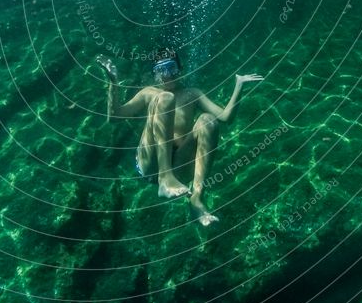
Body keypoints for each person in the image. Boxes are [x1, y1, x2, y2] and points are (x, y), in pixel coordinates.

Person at [96, 50, 264, 226]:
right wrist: (113, 83)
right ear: (155, 73)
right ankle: (164, 178)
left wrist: (239, 85)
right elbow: (114, 117)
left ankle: (197, 198)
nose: (167, 75)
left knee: (209, 121)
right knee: (165, 98)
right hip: (150, 163)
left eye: (171, 68)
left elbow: (226, 117)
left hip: (179, 165)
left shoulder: (192, 94)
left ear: (180, 69)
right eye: (161, 70)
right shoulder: (149, 93)